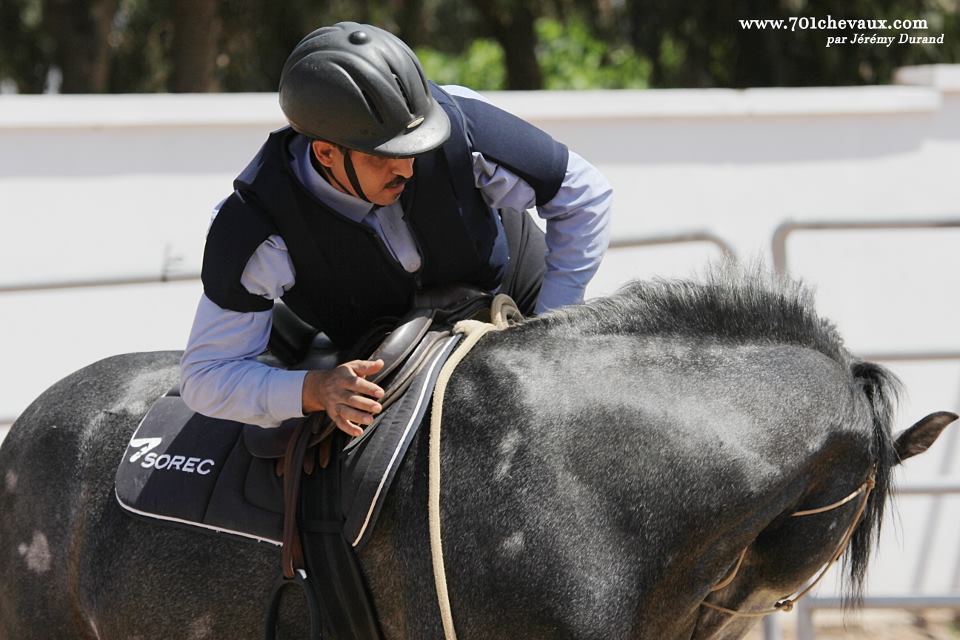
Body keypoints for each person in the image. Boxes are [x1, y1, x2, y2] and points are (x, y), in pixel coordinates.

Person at [180, 21, 613, 437]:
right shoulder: (252, 225)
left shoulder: (457, 121)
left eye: (415, 146)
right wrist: (313, 389)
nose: (408, 166)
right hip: (380, 352)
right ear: (326, 153)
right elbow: (205, 377)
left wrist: (552, 327)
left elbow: (585, 192)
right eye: (382, 156)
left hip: (519, 294)